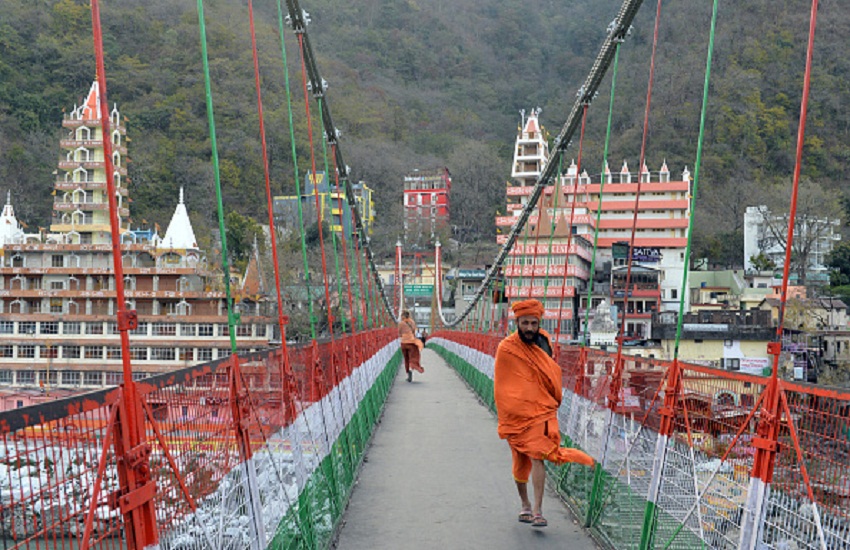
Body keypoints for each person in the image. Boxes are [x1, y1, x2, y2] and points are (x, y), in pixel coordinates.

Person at [494, 298, 595, 528]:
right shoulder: (506, 348)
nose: (529, 328)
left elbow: (549, 373)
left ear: (539, 323)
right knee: (520, 462)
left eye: (534, 323)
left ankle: (538, 511)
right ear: (517, 323)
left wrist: (547, 400)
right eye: (525, 323)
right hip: (516, 415)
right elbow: (503, 385)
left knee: (538, 455)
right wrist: (511, 408)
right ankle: (525, 504)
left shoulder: (544, 342)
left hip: (541, 411)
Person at [398, 310, 424, 382]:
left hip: (404, 343)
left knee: (406, 358)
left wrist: (403, 335)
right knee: (413, 357)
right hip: (411, 342)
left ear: (402, 316)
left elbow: (399, 333)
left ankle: (408, 373)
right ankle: (411, 368)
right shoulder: (412, 322)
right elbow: (414, 332)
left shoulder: (401, 323)